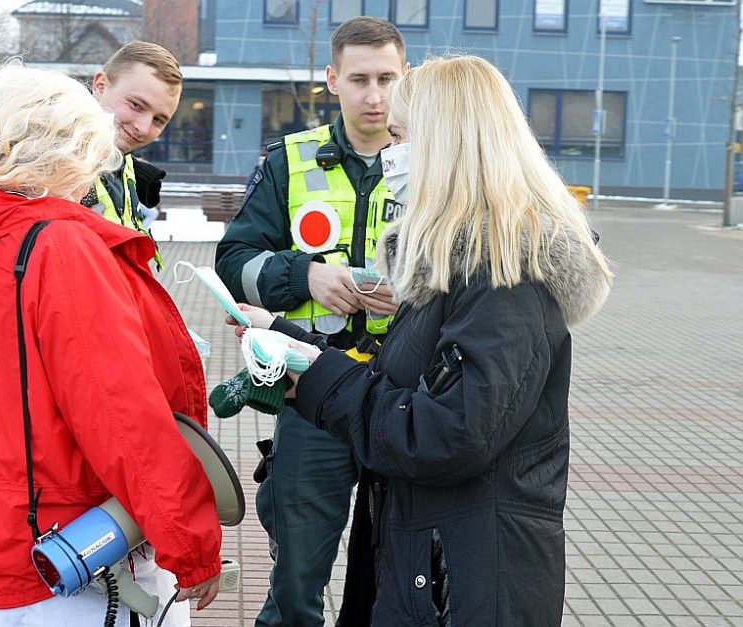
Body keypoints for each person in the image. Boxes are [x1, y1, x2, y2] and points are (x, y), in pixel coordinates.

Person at [228, 55, 613, 625]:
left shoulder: (504, 276)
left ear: (445, 145)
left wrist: (316, 376)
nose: (390, 156)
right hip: (428, 561)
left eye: (402, 137)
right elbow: (409, 387)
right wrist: (291, 343)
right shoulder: (459, 266)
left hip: (463, 580)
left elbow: (441, 435)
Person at [0, 61, 222, 627]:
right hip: (68, 558)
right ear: (75, 154)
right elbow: (122, 418)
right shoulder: (59, 246)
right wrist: (190, 545)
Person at [215, 16, 408, 627]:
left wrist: (412, 299)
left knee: (401, 576)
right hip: (315, 392)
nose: (373, 95)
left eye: (386, 79)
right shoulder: (289, 161)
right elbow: (233, 260)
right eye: (359, 79)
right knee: (297, 582)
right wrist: (307, 277)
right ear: (332, 80)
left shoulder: (435, 165)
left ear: (406, 80)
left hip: (407, 395)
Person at [83, 41, 183, 270]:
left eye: (159, 120)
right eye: (137, 105)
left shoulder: (121, 164)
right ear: (100, 85)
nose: (145, 128)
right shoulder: (46, 162)